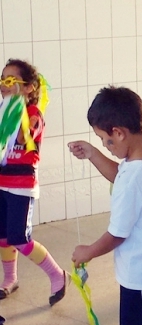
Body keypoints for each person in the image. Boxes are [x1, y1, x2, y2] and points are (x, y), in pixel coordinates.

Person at [69, 86, 142, 325]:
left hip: (140, 276)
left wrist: (89, 251)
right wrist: (93, 154)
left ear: (119, 132)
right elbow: (121, 174)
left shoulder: (134, 178)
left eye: (105, 140)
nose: (106, 146)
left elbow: (117, 234)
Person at [0, 59, 68, 306]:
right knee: (3, 237)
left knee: (20, 237)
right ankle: (10, 279)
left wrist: (10, 107)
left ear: (28, 87)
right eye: (2, 80)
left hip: (21, 186)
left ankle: (58, 275)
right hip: (1, 183)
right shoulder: (2, 109)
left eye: (11, 81)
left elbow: (20, 137)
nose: (4, 85)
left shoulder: (33, 114)